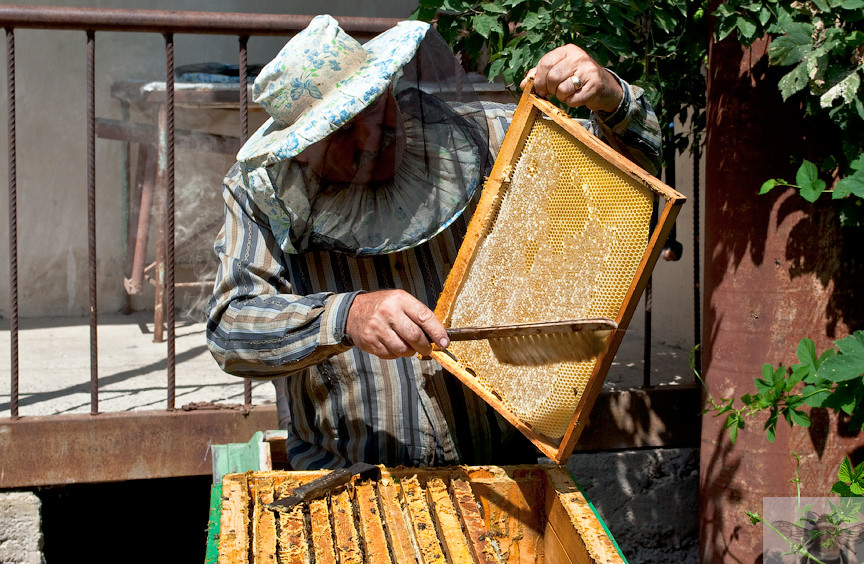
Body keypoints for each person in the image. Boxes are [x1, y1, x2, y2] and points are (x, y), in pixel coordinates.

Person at [206, 15, 662, 469]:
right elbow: (230, 327)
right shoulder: (258, 196)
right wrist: (344, 316)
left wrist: (612, 100)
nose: (370, 140)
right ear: (297, 148)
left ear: (388, 86)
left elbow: (626, 185)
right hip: (345, 474)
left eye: (373, 107)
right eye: (340, 131)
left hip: (503, 463)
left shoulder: (486, 137)